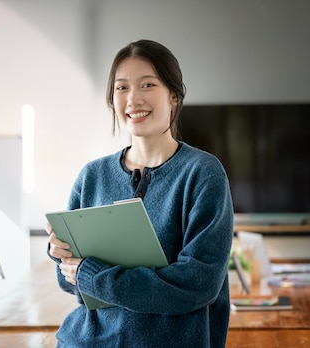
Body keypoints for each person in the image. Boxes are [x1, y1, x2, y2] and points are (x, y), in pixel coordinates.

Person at [46, 39, 234, 347]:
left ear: (173, 95)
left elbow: (197, 284)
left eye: (147, 84)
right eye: (121, 88)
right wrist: (61, 256)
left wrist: (93, 276)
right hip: (86, 340)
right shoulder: (91, 176)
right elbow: (72, 285)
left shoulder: (203, 174)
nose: (133, 99)